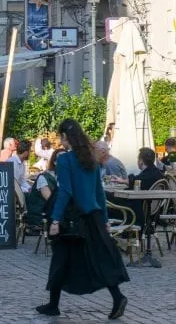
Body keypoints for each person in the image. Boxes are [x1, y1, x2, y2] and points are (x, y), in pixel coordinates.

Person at [39, 118, 129, 319]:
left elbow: (65, 191)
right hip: (94, 217)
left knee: (61, 259)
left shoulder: (64, 160)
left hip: (74, 218)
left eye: (60, 138)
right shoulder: (91, 158)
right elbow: (99, 191)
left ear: (65, 137)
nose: (60, 143)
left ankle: (53, 304)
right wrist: (104, 219)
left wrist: (55, 220)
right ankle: (117, 296)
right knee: (100, 259)